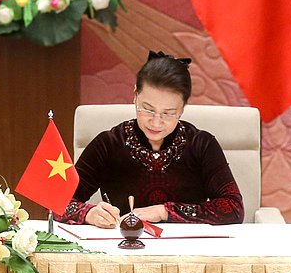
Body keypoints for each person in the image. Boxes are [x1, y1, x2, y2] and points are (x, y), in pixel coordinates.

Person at [56, 51, 244, 226]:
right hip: (122, 248)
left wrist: (165, 211)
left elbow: (234, 208)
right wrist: (89, 213)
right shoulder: (109, 144)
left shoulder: (201, 144)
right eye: (147, 109)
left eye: (168, 113)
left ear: (183, 108)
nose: (156, 122)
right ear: (135, 94)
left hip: (188, 251)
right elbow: (56, 202)